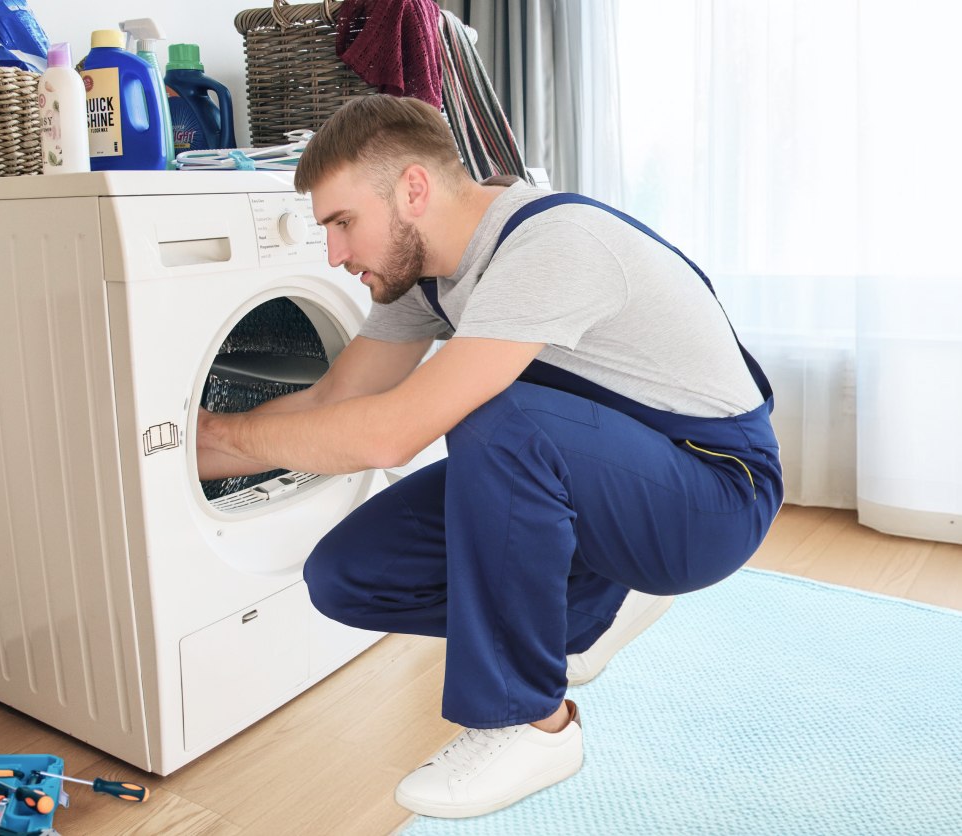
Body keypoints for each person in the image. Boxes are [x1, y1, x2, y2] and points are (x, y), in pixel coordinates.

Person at [197, 95, 782, 819]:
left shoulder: (552, 246)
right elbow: (331, 405)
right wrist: (194, 452)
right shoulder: (423, 280)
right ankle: (586, 615)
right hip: (609, 476)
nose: (334, 254)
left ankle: (532, 724)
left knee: (495, 416)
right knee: (346, 576)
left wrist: (233, 439)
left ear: (413, 189)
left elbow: (392, 433)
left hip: (715, 492)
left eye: (342, 223)